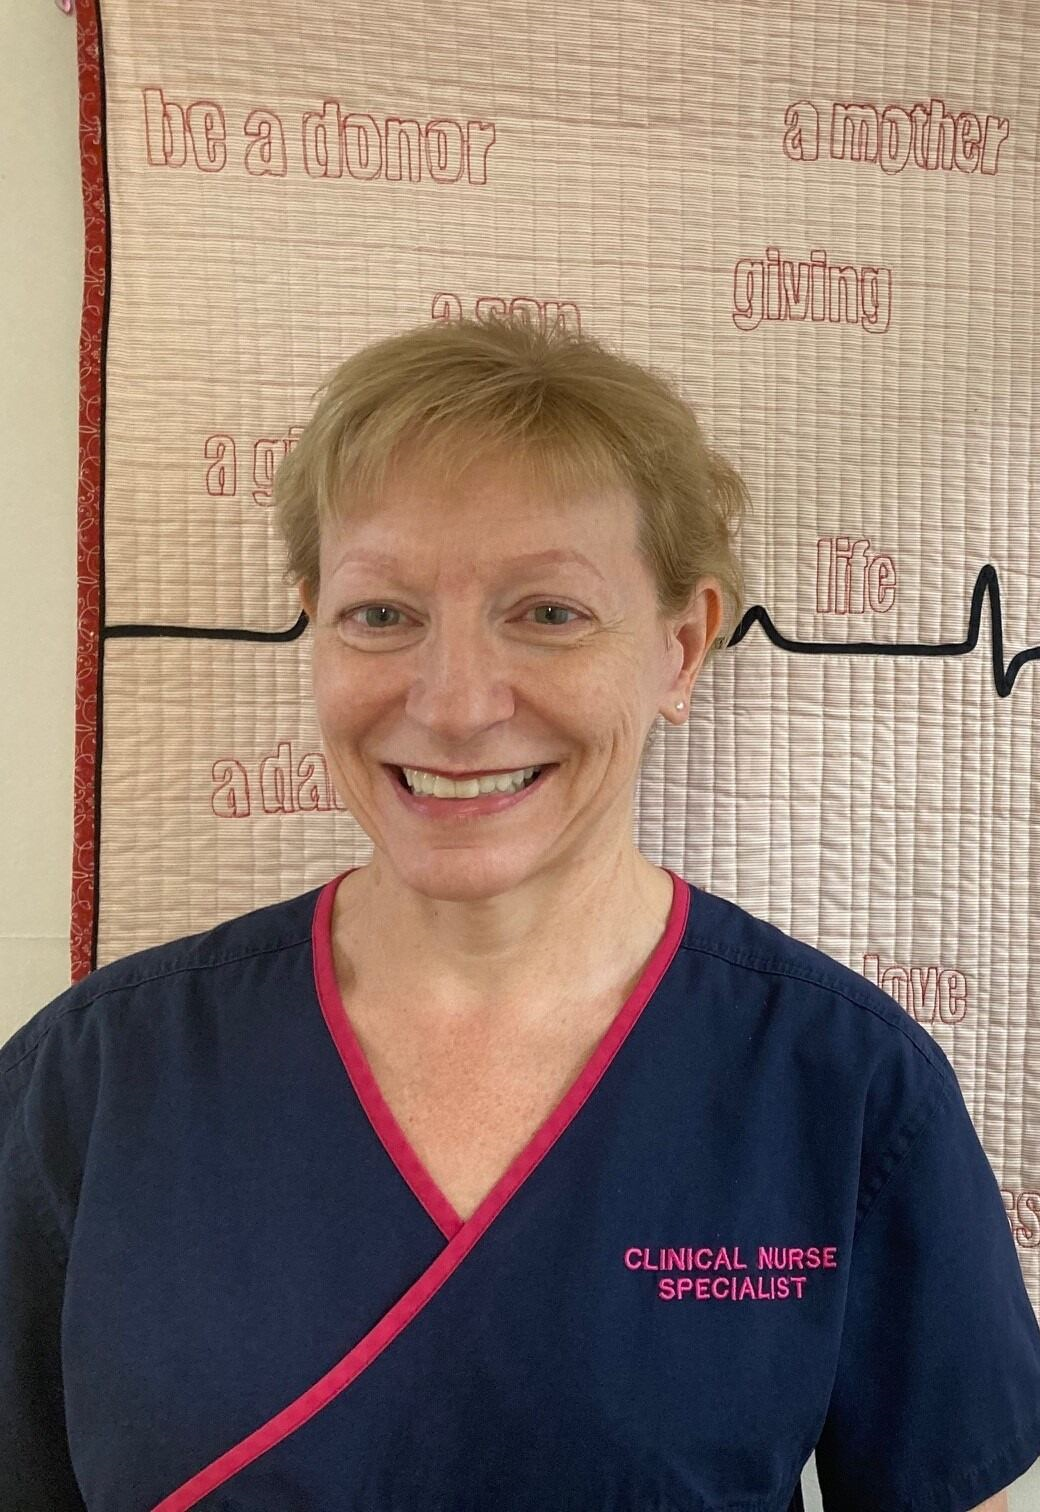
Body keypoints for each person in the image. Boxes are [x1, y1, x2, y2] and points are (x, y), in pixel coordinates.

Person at [2, 314, 1038, 1512]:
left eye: (547, 612)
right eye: (380, 614)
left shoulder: (842, 1085)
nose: (451, 705)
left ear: (680, 648)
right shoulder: (94, 1080)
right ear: (314, 627)